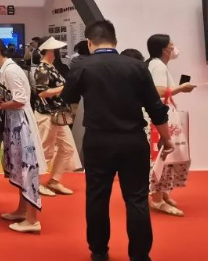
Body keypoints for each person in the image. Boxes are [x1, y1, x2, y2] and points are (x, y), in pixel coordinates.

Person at [60, 20, 173, 261]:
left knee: (97, 196)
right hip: (133, 140)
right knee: (137, 198)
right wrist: (166, 138)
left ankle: (99, 251)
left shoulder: (82, 66)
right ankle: (140, 255)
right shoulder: (137, 66)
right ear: (115, 41)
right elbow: (156, 107)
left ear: (90, 42)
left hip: (98, 140)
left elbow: (67, 97)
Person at [0, 38, 45, 234]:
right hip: (14, 120)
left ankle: (32, 219)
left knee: (27, 167)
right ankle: (22, 210)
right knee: (19, 167)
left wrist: (2, 105)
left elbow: (20, 99)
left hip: (21, 122)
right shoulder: (5, 70)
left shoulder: (10, 70)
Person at [145, 34, 196, 217]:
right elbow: (158, 91)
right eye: (171, 45)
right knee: (163, 156)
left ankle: (163, 193)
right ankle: (157, 199)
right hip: (159, 118)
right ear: (164, 49)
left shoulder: (157, 65)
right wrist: (181, 88)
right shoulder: (157, 65)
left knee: (168, 157)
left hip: (163, 116)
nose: (174, 48)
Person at [32, 37, 80, 197]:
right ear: (50, 50)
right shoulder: (43, 69)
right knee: (45, 151)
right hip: (47, 114)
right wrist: (65, 88)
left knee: (67, 148)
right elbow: (42, 93)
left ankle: (54, 180)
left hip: (57, 114)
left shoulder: (50, 67)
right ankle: (36, 183)